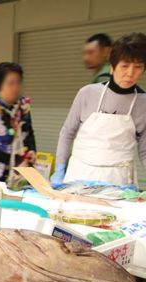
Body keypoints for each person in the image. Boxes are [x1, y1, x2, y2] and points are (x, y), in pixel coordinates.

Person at [51, 33, 146, 186]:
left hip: (119, 179)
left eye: (138, 67)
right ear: (112, 67)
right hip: (79, 173)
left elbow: (144, 150)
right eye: (125, 66)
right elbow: (67, 132)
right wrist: (59, 168)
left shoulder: (143, 103)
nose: (130, 73)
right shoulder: (87, 93)